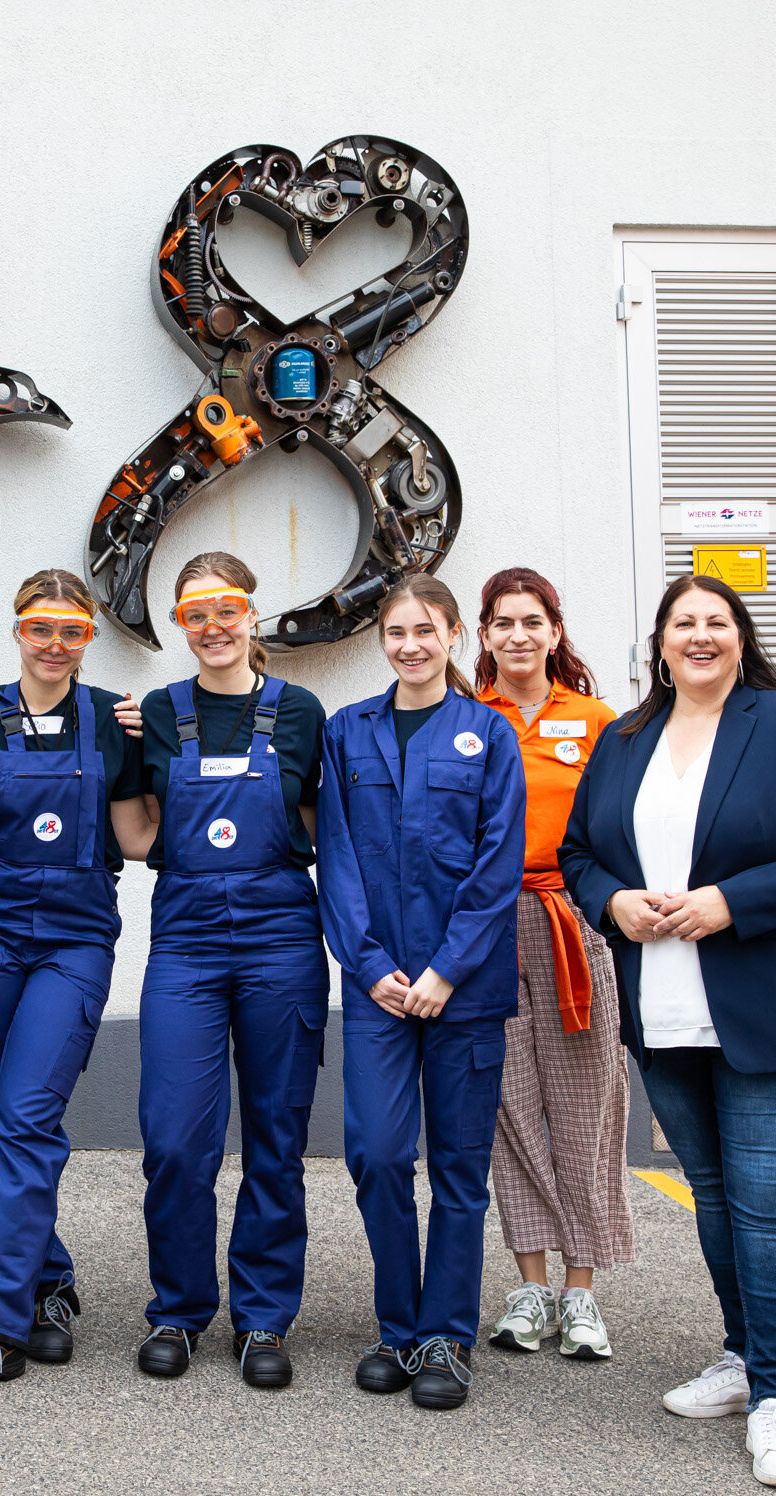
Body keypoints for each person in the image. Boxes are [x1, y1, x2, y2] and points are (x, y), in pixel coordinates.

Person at [560, 575, 776, 1490]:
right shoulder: (623, 741)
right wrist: (612, 901)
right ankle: (742, 1360)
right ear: (658, 644)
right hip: (663, 1007)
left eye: (716, 623)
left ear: (741, 639)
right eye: (682, 624)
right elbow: (580, 854)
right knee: (712, 1196)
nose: (700, 636)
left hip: (774, 1004)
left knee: (768, 1203)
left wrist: (731, 902)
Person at [0, 569, 151, 1396]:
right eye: (40, 628)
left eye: (72, 631)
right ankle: (46, 1282)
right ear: (16, 630)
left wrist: (178, 749)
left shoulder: (117, 718)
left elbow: (141, 839)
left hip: (77, 935)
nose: (55, 645)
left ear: (88, 637)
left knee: (24, 1114)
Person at [317, 573, 525, 1413]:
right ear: (383, 640)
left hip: (463, 991)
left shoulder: (488, 734)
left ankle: (446, 1335)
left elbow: (496, 864)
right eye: (396, 633)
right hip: (378, 989)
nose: (410, 646)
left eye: (425, 632)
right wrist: (369, 967)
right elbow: (336, 859)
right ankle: (397, 1326)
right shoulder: (346, 733)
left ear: (452, 638)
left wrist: (446, 970)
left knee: (461, 1170)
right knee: (375, 1155)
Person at [122, 553, 328, 1390]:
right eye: (195, 613)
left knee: (276, 1140)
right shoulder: (158, 714)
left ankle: (265, 1318)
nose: (213, 627)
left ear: (251, 616)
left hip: (281, 935)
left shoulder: (303, 711)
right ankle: (178, 1307)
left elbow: (321, 821)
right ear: (179, 622)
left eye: (228, 609)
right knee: (175, 1139)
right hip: (187, 940)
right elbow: (135, 826)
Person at [474, 568, 634, 1362]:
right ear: (484, 636)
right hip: (487, 925)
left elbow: (623, 833)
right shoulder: (467, 719)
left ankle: (581, 1292)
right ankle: (530, 1285)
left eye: (531, 622)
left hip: (571, 923)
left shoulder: (599, 723)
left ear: (555, 631)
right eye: (502, 623)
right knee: (507, 1105)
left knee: (584, 1109)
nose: (517, 637)